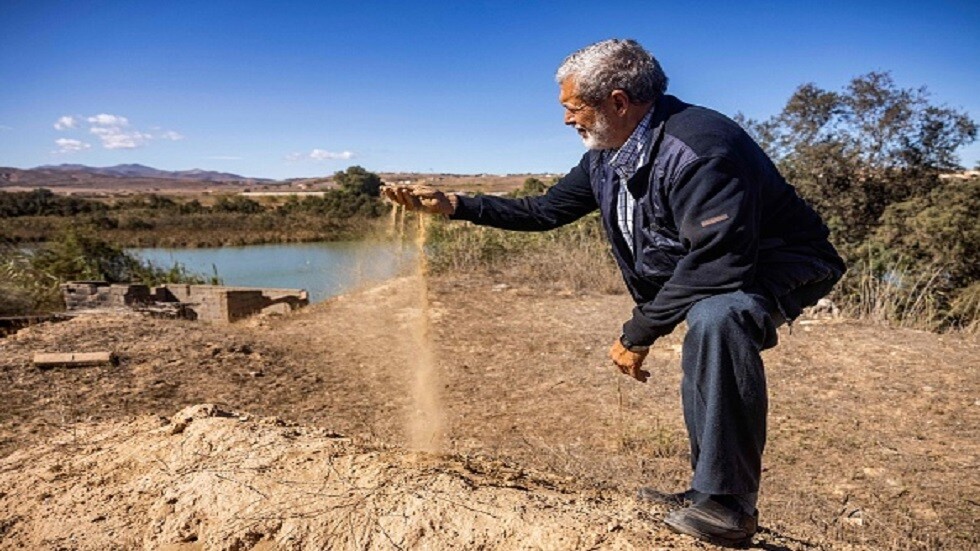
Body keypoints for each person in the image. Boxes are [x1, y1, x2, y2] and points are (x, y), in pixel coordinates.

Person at [383, 38, 845, 548]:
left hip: (782, 260)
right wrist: (454, 204)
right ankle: (706, 491)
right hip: (716, 263)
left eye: (573, 107)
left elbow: (718, 263)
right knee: (707, 331)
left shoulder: (701, 148)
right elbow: (545, 211)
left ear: (618, 102)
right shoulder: (608, 154)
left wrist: (639, 331)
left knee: (720, 318)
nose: (566, 120)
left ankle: (728, 506)